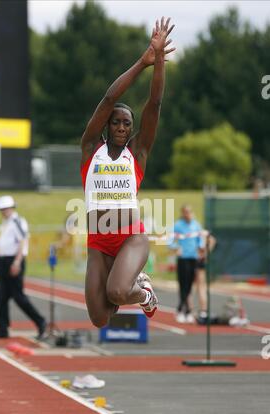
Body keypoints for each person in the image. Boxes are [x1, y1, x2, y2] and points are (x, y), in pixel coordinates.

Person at [81, 17, 175, 328]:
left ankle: (144, 293)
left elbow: (155, 103)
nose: (122, 126)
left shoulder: (137, 154)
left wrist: (159, 60)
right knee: (100, 317)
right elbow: (108, 99)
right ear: (107, 125)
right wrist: (143, 61)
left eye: (127, 123)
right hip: (98, 241)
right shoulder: (90, 149)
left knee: (119, 291)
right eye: (116, 122)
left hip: (129, 238)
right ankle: (123, 283)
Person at [0, 196, 47, 339]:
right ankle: (2, 329)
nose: (3, 211)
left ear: (11, 208)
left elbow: (23, 241)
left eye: (5, 209)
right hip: (4, 261)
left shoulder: (17, 221)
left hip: (13, 261)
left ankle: (40, 321)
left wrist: (16, 262)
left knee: (19, 297)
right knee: (2, 297)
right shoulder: (6, 222)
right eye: (1, 209)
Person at [169, 205, 205, 324]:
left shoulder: (196, 224)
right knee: (183, 284)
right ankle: (181, 310)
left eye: (190, 212)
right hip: (182, 258)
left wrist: (201, 247)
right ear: (183, 213)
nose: (188, 214)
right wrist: (176, 247)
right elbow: (169, 239)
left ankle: (187, 311)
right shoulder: (178, 225)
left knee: (189, 285)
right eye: (186, 212)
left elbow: (201, 238)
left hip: (193, 258)